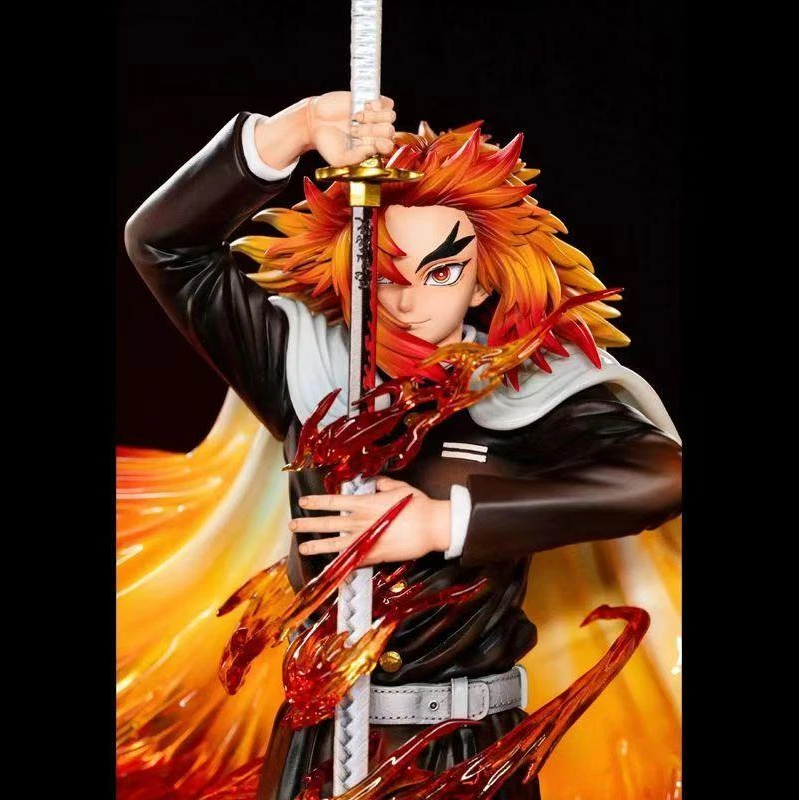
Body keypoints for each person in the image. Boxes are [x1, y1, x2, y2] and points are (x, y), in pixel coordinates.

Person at [124, 91, 682, 800]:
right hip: (320, 745)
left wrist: (441, 523)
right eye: (384, 273)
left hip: (467, 751)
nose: (408, 301)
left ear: (483, 281)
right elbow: (161, 243)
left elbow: (661, 477)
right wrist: (294, 131)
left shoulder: (527, 392)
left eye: (441, 272)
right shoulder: (305, 369)